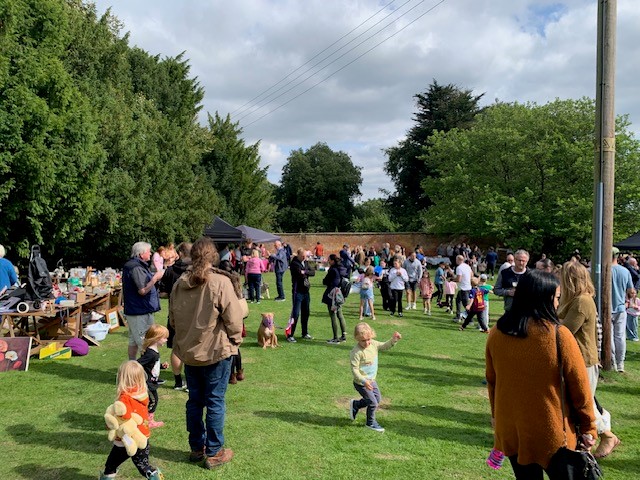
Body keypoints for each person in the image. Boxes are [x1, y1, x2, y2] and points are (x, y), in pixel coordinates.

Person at [486, 270, 596, 479]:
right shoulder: (559, 335)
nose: (557, 304)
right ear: (543, 299)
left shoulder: (496, 332)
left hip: (511, 430)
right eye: (555, 298)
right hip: (552, 433)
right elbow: (580, 387)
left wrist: (495, 417)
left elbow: (492, 382)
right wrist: (589, 427)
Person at [169, 237, 244, 469]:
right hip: (214, 352)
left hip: (192, 353)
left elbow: (172, 320)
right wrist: (236, 340)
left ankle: (196, 447)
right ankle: (213, 451)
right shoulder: (219, 283)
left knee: (196, 401)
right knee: (214, 401)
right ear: (213, 257)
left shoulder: (180, 284)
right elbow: (234, 319)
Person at [558, 260, 620, 459]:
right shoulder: (575, 300)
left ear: (570, 280)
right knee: (582, 403)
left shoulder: (582, 301)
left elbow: (565, 331)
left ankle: (606, 436)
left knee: (583, 404)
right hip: (576, 360)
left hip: (583, 361)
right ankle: (587, 441)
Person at [99, 361, 163, 480]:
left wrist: (110, 423)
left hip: (125, 438)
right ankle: (155, 476)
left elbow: (123, 416)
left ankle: (106, 477)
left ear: (122, 378)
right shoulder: (142, 393)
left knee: (111, 464)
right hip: (143, 436)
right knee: (143, 465)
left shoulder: (125, 398)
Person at [348, 322, 402, 433]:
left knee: (377, 399)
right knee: (373, 403)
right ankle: (370, 422)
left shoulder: (373, 344)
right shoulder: (356, 352)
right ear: (357, 338)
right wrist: (364, 380)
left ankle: (356, 405)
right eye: (363, 340)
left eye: (368, 339)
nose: (367, 342)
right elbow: (355, 370)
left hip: (371, 381)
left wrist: (393, 340)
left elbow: (384, 346)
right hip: (361, 383)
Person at [159, 241, 192, 391]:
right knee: (193, 347)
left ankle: (179, 381)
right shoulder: (195, 270)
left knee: (177, 348)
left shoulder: (170, 271)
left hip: (175, 313)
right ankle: (190, 382)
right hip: (193, 314)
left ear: (179, 253)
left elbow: (163, 293)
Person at [123, 242, 163, 360]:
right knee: (146, 342)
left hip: (137, 309)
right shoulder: (136, 267)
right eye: (148, 251)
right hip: (139, 310)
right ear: (141, 254)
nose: (150, 253)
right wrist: (155, 278)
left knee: (133, 341)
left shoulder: (136, 265)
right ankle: (149, 374)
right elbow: (142, 290)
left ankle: (133, 365)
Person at [137, 324, 169, 428]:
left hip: (152, 382)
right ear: (157, 339)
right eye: (164, 338)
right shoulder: (151, 353)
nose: (166, 340)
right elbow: (138, 364)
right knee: (153, 401)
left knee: (151, 400)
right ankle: (148, 422)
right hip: (148, 384)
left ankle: (142, 419)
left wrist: (161, 366)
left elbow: (150, 365)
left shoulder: (153, 352)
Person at [610, 246, 633, 372]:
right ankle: (620, 364)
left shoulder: (604, 271)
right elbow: (631, 291)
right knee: (620, 337)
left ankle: (612, 363)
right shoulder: (625, 271)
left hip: (606, 309)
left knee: (609, 337)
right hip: (621, 308)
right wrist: (628, 301)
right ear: (617, 256)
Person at [285, 248, 315, 342]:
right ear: (298, 255)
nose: (304, 257)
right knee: (295, 314)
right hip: (297, 292)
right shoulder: (294, 263)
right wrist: (304, 272)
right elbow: (299, 274)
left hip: (306, 292)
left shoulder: (305, 262)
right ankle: (290, 335)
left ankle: (304, 333)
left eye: (305, 256)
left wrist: (305, 272)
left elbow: (313, 272)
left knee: (306, 313)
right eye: (302, 256)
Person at [322, 254, 348, 344]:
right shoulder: (341, 269)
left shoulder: (332, 270)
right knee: (340, 315)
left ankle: (335, 338)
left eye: (329, 260)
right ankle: (344, 336)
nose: (328, 261)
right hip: (339, 294)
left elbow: (325, 281)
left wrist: (326, 280)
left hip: (331, 295)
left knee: (333, 315)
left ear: (333, 261)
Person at [454, 255, 473, 321]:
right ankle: (458, 316)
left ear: (458, 260)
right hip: (468, 286)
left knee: (465, 304)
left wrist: (452, 279)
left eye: (456, 259)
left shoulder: (459, 268)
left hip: (463, 288)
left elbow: (458, 279)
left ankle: (470, 319)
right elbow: (472, 275)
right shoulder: (467, 266)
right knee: (458, 300)